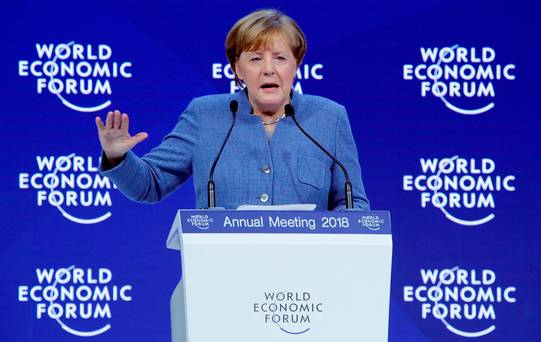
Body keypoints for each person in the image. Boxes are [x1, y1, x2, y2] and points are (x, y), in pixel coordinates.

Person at [96, 9, 370, 211]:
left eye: (280, 58)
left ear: (296, 65)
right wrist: (117, 157)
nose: (268, 69)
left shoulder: (329, 117)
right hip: (220, 275)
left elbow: (353, 202)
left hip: (307, 279)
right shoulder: (205, 116)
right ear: (238, 69)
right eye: (255, 58)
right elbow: (149, 185)